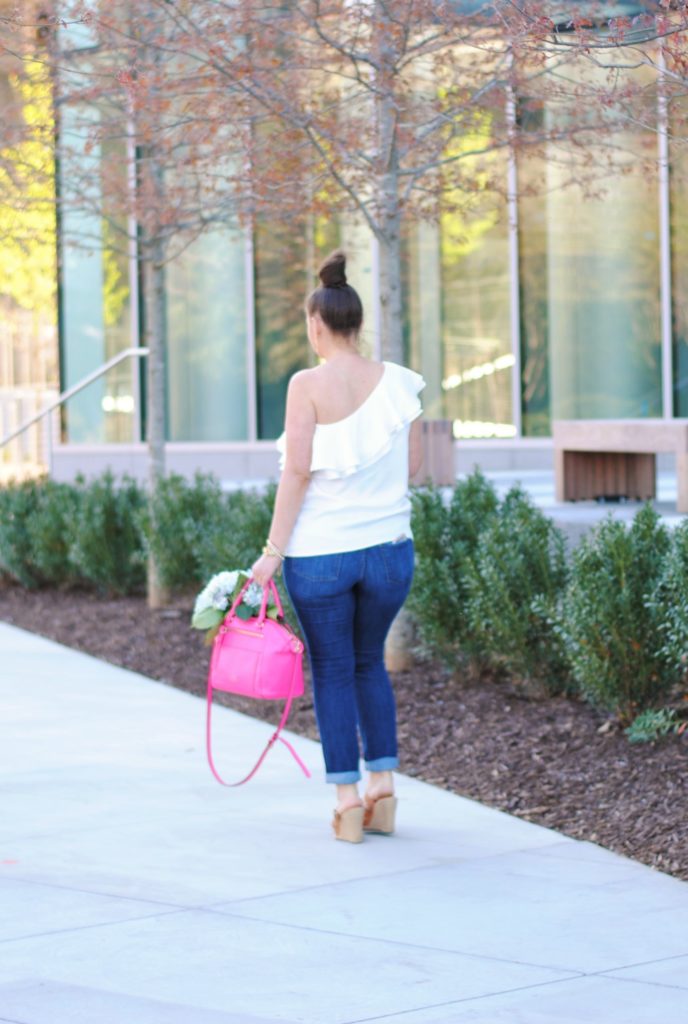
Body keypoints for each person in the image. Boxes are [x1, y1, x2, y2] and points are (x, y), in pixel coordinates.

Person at [251, 250, 425, 843]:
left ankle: (348, 801)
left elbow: (295, 473)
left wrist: (272, 549)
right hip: (389, 552)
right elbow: (418, 466)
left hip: (322, 556)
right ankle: (384, 789)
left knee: (331, 668)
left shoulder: (307, 384)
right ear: (357, 325)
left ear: (317, 324)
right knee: (367, 661)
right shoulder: (402, 383)